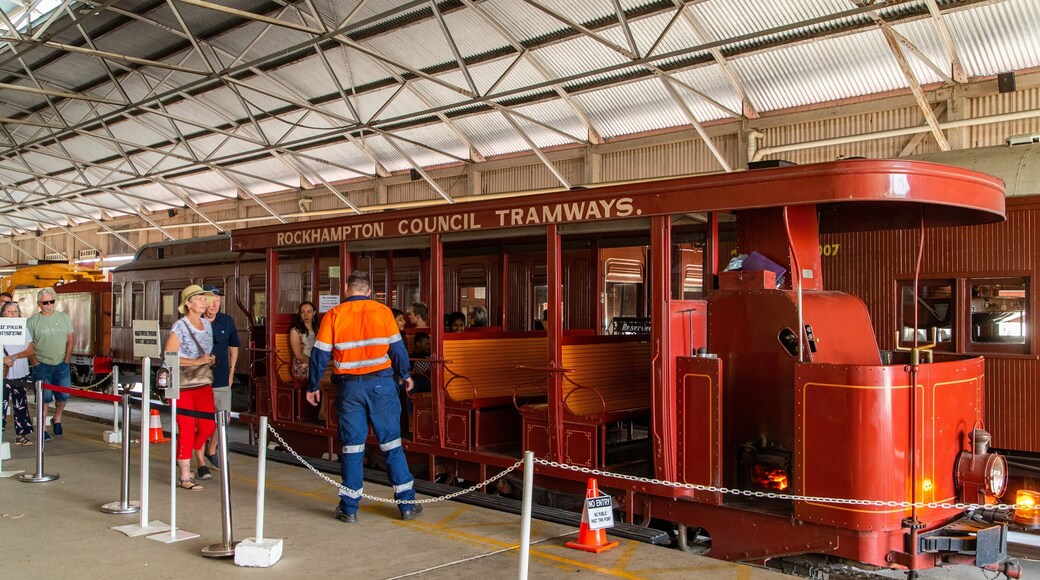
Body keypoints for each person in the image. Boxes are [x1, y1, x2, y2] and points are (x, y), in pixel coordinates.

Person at [307, 270, 421, 523]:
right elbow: (398, 348)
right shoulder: (383, 312)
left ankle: (349, 509)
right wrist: (405, 374)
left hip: (349, 389)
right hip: (382, 386)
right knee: (391, 444)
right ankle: (407, 505)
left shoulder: (334, 315)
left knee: (352, 447)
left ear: (346, 289)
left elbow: (319, 354)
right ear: (370, 291)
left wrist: (312, 386)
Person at [164, 284, 217, 491]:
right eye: (200, 299)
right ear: (188, 303)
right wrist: (196, 362)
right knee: (186, 428)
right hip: (183, 384)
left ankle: (182, 454)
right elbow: (169, 357)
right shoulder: (180, 326)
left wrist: (209, 359)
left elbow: (204, 353)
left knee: (208, 426)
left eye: (205, 299)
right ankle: (185, 476)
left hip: (203, 382)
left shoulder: (207, 325)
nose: (204, 303)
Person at [200, 285, 240, 480]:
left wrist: (232, 371)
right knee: (201, 420)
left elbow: (234, 347)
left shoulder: (226, 320)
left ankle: (211, 449)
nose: (215, 305)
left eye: (218, 301)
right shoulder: (195, 321)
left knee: (224, 417)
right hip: (199, 379)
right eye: (212, 301)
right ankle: (200, 462)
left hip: (222, 377)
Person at [27, 288, 73, 438]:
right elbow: (28, 345)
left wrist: (66, 360)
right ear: (39, 304)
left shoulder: (64, 318)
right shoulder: (32, 322)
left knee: (64, 395)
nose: (49, 305)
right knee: (44, 398)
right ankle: (43, 429)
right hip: (42, 365)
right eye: (45, 302)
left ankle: (57, 418)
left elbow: (70, 340)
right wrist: (35, 362)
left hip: (61, 364)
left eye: (51, 301)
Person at [2, 301, 35, 445]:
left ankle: (21, 435)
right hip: (2, 372)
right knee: (1, 403)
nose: (12, 314)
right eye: (9, 311)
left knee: (20, 403)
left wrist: (14, 357)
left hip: (20, 371)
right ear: (3, 313)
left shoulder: (24, 329)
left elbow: (31, 350)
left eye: (15, 311)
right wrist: (4, 359)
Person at [288, 301, 318, 385]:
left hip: (315, 361)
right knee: (324, 375)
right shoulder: (295, 331)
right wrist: (315, 364)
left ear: (314, 313)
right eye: (302, 312)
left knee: (332, 371)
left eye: (309, 312)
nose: (306, 315)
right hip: (302, 365)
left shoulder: (318, 329)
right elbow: (299, 355)